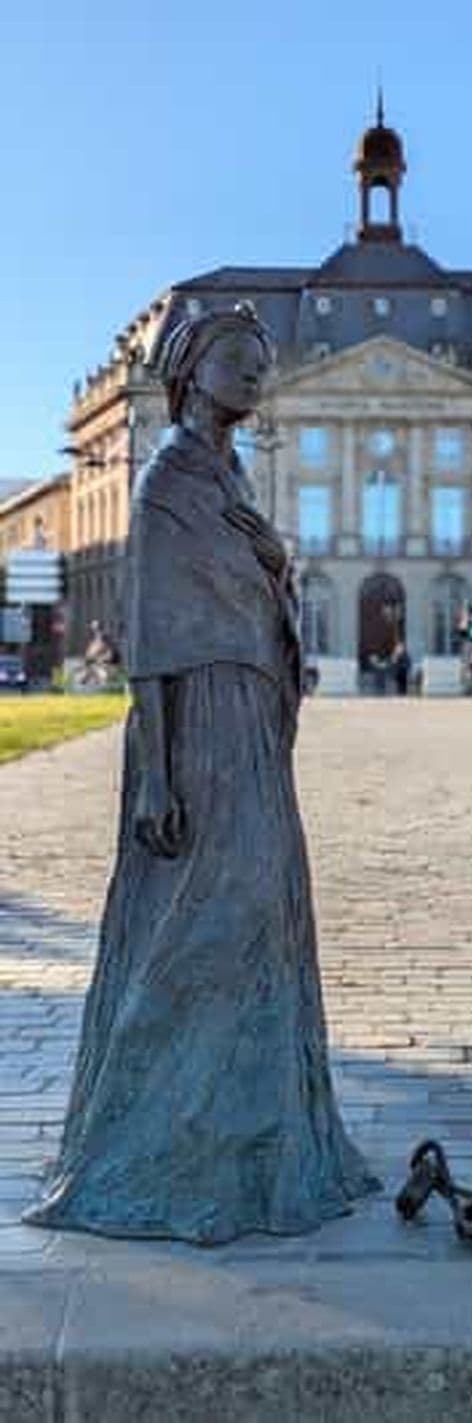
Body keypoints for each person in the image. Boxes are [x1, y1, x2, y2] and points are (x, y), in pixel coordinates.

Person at [24, 304, 381, 1244]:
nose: (257, 373)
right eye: (238, 357)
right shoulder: (167, 482)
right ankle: (167, 1142)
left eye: (264, 360)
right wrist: (154, 775)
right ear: (190, 370)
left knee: (266, 916)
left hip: (251, 722)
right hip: (202, 728)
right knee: (209, 919)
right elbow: (149, 637)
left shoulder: (227, 474)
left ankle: (253, 1138)